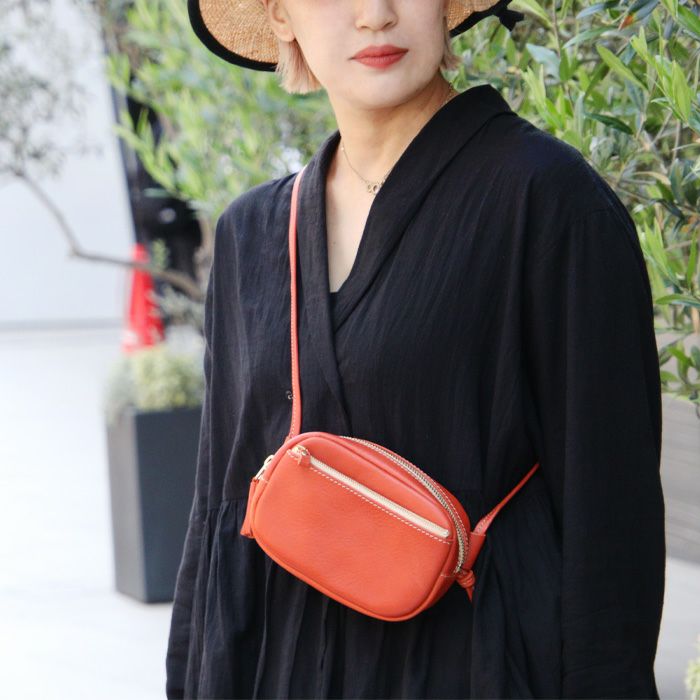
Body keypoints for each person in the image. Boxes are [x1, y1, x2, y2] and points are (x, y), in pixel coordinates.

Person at [166, 1, 666, 698]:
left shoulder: (550, 202)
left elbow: (609, 514)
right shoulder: (251, 232)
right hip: (286, 665)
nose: (376, 15)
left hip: (477, 662)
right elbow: (220, 503)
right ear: (281, 16)